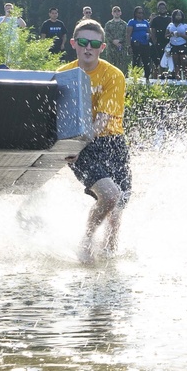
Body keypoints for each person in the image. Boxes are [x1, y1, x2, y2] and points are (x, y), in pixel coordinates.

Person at [58, 19, 131, 264]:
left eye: (94, 43)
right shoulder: (63, 75)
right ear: (73, 44)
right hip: (79, 145)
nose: (88, 47)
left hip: (112, 141)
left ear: (102, 47)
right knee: (110, 196)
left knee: (117, 207)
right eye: (83, 42)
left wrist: (80, 143)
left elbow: (103, 119)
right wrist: (71, 147)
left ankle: (109, 259)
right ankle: (86, 243)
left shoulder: (114, 75)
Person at [126, 5, 153, 82]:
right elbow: (128, 34)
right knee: (136, 61)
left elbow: (149, 32)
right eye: (139, 13)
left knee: (146, 61)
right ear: (135, 13)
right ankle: (135, 78)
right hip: (136, 44)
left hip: (145, 44)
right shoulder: (132, 22)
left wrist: (149, 36)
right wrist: (129, 46)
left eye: (142, 13)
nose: (140, 14)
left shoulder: (146, 22)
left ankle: (147, 77)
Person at [103, 6, 130, 75]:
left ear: (120, 13)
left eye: (118, 11)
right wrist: (113, 41)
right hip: (111, 48)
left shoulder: (124, 24)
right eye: (115, 11)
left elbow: (126, 35)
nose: (116, 13)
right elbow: (106, 34)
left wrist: (119, 41)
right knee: (110, 65)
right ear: (112, 13)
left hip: (121, 47)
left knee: (122, 65)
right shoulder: (108, 24)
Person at [165, 9, 187, 79]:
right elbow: (165, 36)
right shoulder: (170, 25)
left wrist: (181, 35)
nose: (178, 17)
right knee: (176, 61)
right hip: (173, 44)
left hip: (182, 44)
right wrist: (170, 34)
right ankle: (177, 76)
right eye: (177, 15)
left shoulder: (185, 25)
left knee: (184, 61)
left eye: (179, 15)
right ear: (173, 16)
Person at [149, 1, 171, 75]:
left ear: (166, 9)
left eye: (163, 7)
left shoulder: (170, 19)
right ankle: (160, 76)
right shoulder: (155, 20)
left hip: (169, 42)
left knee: (170, 59)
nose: (162, 9)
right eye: (160, 8)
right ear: (158, 9)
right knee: (161, 60)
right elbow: (153, 32)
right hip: (159, 42)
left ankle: (171, 75)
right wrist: (154, 42)